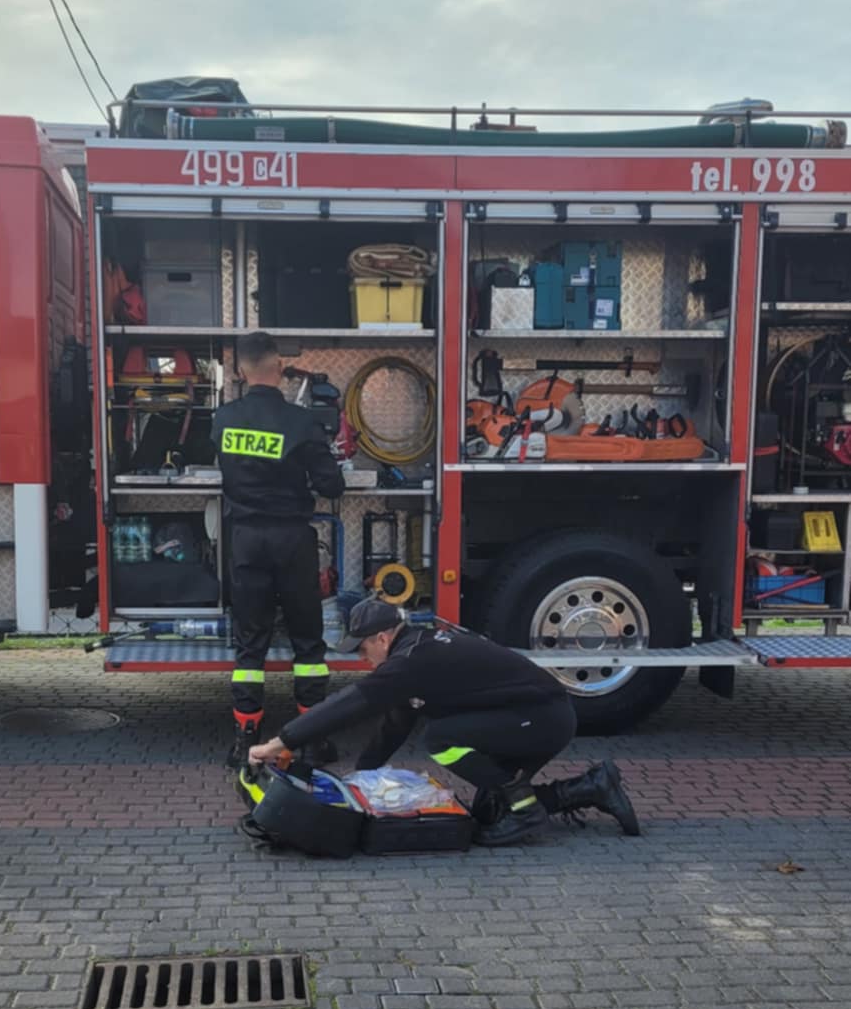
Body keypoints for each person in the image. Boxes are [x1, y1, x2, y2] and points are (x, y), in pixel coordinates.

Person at [248, 597, 639, 846]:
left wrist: (279, 743)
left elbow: (346, 705)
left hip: (541, 718)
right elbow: (395, 724)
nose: (361, 658)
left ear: (383, 637)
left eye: (363, 648)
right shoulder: (416, 651)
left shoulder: (410, 661)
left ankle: (526, 811)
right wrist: (360, 780)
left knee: (440, 739)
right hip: (530, 716)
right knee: (487, 813)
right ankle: (593, 787)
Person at [212, 332, 345, 767]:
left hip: (246, 541)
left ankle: (244, 738)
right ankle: (313, 739)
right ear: (280, 367)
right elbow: (332, 485)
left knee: (250, 644)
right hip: (292, 541)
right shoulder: (301, 422)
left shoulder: (223, 419)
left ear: (240, 371)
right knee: (307, 644)